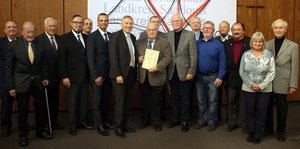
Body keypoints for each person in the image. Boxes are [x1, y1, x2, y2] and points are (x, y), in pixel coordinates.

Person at [5, 21, 52, 146]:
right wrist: (11, 87)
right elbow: (9, 68)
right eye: (27, 32)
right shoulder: (14, 45)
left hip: (37, 82)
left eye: (32, 32)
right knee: (22, 111)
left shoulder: (40, 44)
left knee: (41, 109)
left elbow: (44, 63)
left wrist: (45, 77)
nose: (30, 34)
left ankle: (40, 131)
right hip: (21, 83)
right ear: (22, 32)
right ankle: (23, 135)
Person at [58, 15, 93, 136]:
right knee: (72, 103)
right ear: (71, 23)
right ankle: (72, 125)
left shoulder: (86, 37)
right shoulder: (64, 38)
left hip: (84, 76)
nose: (78, 24)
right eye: (76, 22)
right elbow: (61, 60)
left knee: (84, 101)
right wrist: (64, 76)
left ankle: (82, 122)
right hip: (71, 78)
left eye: (80, 22)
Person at [264, 19, 299, 142]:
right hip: (268, 82)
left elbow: (294, 67)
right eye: (276, 28)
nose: (278, 30)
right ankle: (268, 129)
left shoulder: (293, 46)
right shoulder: (267, 44)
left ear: (285, 29)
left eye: (281, 28)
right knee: (267, 107)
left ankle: (281, 131)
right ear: (273, 29)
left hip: (283, 81)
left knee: (281, 108)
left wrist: (293, 84)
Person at [240, 32, 275, 144]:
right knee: (250, 110)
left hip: (265, 89)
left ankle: (258, 134)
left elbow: (272, 72)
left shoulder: (268, 54)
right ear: (252, 42)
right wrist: (251, 84)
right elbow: (242, 71)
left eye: (260, 41)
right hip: (248, 87)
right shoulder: (246, 54)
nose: (258, 43)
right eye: (255, 41)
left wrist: (261, 86)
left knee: (261, 111)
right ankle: (251, 132)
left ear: (263, 43)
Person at [137, 22, 171, 131]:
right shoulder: (139, 42)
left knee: (156, 102)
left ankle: (156, 122)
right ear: (146, 31)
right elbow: (135, 55)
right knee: (145, 101)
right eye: (149, 30)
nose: (152, 32)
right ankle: (144, 121)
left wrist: (157, 67)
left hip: (157, 76)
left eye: (154, 30)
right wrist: (139, 59)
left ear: (157, 31)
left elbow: (167, 58)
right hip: (143, 77)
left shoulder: (164, 42)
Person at [166, 14, 197, 132]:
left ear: (182, 22)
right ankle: (175, 119)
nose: (176, 23)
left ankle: (184, 121)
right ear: (171, 23)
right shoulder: (168, 35)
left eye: (178, 21)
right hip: (171, 72)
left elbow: (194, 56)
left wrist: (191, 72)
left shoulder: (190, 35)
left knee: (185, 100)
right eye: (174, 21)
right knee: (174, 99)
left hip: (185, 73)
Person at [194, 21, 227, 131]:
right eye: (204, 28)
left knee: (213, 100)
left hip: (213, 77)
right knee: (201, 100)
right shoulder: (197, 43)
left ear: (213, 30)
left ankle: (212, 121)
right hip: (199, 77)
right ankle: (202, 120)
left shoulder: (219, 45)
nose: (206, 30)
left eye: (209, 28)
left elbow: (223, 62)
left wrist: (220, 77)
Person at [109, 15, 137, 138]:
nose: (128, 25)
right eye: (126, 23)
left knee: (127, 101)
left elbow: (132, 55)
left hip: (130, 73)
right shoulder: (115, 36)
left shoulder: (133, 37)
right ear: (121, 24)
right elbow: (113, 57)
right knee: (120, 102)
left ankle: (124, 124)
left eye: (130, 23)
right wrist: (117, 74)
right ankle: (118, 127)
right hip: (119, 75)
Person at [87, 13, 113, 136]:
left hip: (109, 75)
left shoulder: (110, 35)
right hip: (98, 76)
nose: (104, 22)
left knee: (106, 100)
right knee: (97, 102)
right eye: (101, 20)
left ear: (108, 22)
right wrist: (95, 76)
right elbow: (90, 58)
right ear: (97, 22)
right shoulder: (92, 37)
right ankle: (99, 124)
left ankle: (105, 121)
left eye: (106, 20)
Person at [37, 17, 63, 130]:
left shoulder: (59, 38)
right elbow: (39, 61)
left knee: (54, 101)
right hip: (45, 77)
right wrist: (44, 76)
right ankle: (45, 125)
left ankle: (54, 122)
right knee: (44, 103)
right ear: (45, 27)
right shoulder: (39, 39)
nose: (52, 28)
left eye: (54, 26)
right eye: (50, 26)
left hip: (57, 77)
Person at [224, 22, 250, 133]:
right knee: (231, 102)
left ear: (243, 31)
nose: (236, 32)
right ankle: (232, 123)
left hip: (246, 79)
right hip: (231, 78)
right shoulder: (226, 43)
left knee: (245, 103)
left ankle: (245, 124)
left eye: (238, 29)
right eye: (234, 29)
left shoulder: (250, 42)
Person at [0, 21, 18, 137]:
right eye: (9, 27)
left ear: (17, 29)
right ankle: (6, 126)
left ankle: (23, 124)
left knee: (23, 102)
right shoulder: (0, 42)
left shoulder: (23, 40)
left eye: (14, 27)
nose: (11, 29)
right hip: (5, 77)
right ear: (5, 30)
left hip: (21, 77)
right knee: (6, 102)